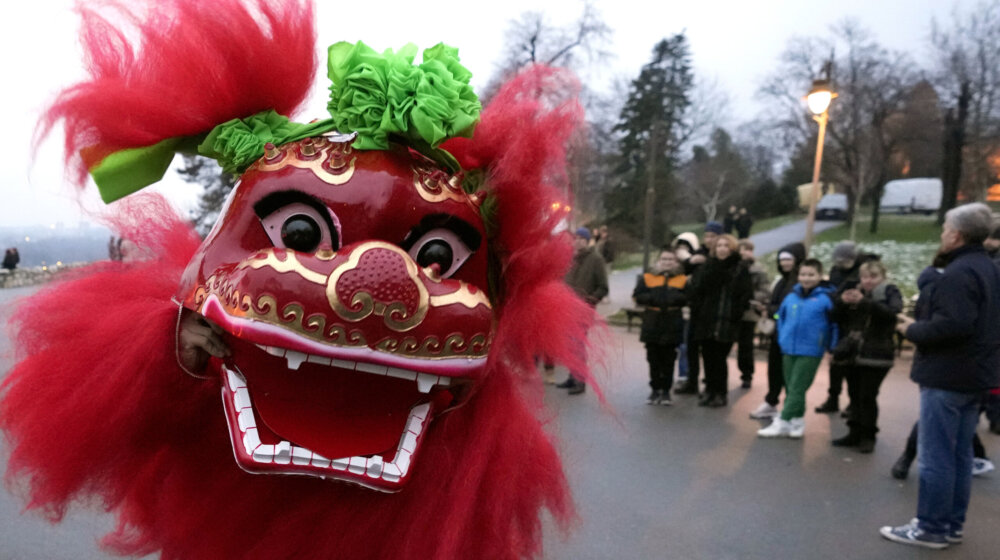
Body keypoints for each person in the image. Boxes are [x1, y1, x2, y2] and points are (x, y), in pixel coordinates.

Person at [881, 203, 1000, 550]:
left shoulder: (959, 273)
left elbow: (954, 324)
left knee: (936, 456)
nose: (942, 232)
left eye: (945, 227)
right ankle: (950, 525)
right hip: (975, 373)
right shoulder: (989, 268)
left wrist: (913, 329)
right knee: (960, 454)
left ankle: (931, 527)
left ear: (957, 234)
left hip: (949, 374)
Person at [829, 260, 902, 453]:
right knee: (854, 394)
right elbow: (834, 317)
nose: (868, 281)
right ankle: (854, 433)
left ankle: (868, 435)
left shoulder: (889, 291)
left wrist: (864, 302)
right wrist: (842, 303)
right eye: (864, 277)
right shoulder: (853, 290)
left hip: (877, 353)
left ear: (882, 277)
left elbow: (892, 314)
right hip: (853, 351)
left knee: (868, 395)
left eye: (873, 277)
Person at [758, 259, 836, 438]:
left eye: (811, 274)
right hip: (788, 348)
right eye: (803, 274)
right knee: (792, 387)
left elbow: (834, 325)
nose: (806, 278)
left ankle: (782, 421)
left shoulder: (826, 299)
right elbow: (781, 315)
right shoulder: (791, 297)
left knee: (798, 387)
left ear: (819, 275)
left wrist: (831, 347)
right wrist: (782, 334)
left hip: (810, 350)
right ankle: (798, 420)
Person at [687, 233, 751, 407]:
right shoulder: (707, 267)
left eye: (726, 246)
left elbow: (744, 294)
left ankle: (720, 393)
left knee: (720, 358)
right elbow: (697, 290)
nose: (722, 249)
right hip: (707, 319)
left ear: (732, 249)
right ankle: (709, 391)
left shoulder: (739, 269)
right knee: (708, 357)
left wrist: (736, 312)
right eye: (719, 246)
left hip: (727, 320)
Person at [815, 240, 878, 415]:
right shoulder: (836, 271)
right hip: (839, 319)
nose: (840, 265)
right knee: (836, 362)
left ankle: (853, 402)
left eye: (844, 262)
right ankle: (833, 398)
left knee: (853, 368)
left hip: (856, 322)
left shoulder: (862, 271)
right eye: (838, 262)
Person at [749, 242, 806, 420]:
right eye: (782, 260)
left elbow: (792, 308)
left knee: (790, 374)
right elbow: (777, 307)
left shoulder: (799, 282)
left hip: (793, 335)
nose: (785, 263)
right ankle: (771, 401)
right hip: (778, 333)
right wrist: (766, 310)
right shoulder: (781, 281)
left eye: (789, 259)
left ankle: (790, 410)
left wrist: (772, 312)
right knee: (774, 369)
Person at [556, 227, 609, 395]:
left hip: (583, 309)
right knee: (569, 346)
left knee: (578, 345)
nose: (577, 241)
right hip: (566, 309)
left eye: (581, 238)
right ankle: (572, 377)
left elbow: (603, 287)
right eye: (575, 238)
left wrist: (590, 301)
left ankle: (580, 380)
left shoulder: (595, 259)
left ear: (587, 241)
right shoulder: (569, 258)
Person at [633, 247, 687, 405]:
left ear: (675, 262)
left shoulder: (681, 279)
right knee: (653, 358)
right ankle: (655, 388)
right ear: (659, 261)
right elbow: (637, 296)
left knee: (669, 358)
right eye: (664, 259)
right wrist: (652, 298)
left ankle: (665, 390)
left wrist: (675, 298)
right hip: (653, 321)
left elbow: (688, 297)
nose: (667, 262)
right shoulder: (648, 278)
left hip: (672, 320)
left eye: (670, 259)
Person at [674, 222, 723, 395]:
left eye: (713, 236)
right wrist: (690, 260)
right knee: (691, 346)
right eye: (707, 236)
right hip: (695, 306)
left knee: (711, 351)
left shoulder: (720, 256)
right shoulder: (699, 253)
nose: (709, 239)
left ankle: (712, 386)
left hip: (713, 310)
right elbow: (685, 272)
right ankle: (691, 381)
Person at [737, 239, 770, 389]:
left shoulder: (758, 270)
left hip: (749, 312)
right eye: (740, 249)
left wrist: (748, 297)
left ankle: (747, 375)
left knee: (746, 345)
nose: (743, 252)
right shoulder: (733, 267)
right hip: (732, 312)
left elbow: (765, 291)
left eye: (747, 249)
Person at [671, 232, 701, 383]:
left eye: (685, 247)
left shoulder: (696, 265)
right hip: (673, 311)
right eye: (679, 247)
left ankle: (685, 373)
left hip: (689, 311)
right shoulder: (674, 265)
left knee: (686, 346)